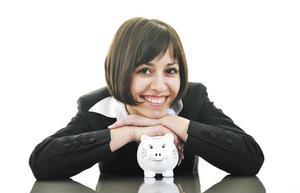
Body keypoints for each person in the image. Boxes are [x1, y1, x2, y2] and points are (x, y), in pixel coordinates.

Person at [29, 17, 264, 180]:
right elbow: (42, 163)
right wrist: (130, 132)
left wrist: (173, 123)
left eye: (171, 70)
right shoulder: (98, 107)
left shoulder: (193, 99)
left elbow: (250, 158)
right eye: (144, 70)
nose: (160, 86)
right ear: (120, 71)